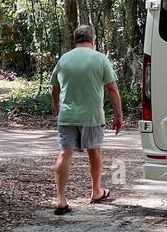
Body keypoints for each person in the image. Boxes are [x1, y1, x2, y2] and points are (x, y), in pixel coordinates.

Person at [51, 24, 123, 214]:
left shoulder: (64, 59)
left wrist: (58, 109)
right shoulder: (100, 59)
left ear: (75, 41)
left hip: (67, 117)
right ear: (93, 41)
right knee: (95, 153)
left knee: (64, 153)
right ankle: (96, 191)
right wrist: (118, 115)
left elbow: (55, 88)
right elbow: (112, 89)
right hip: (92, 116)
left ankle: (60, 200)